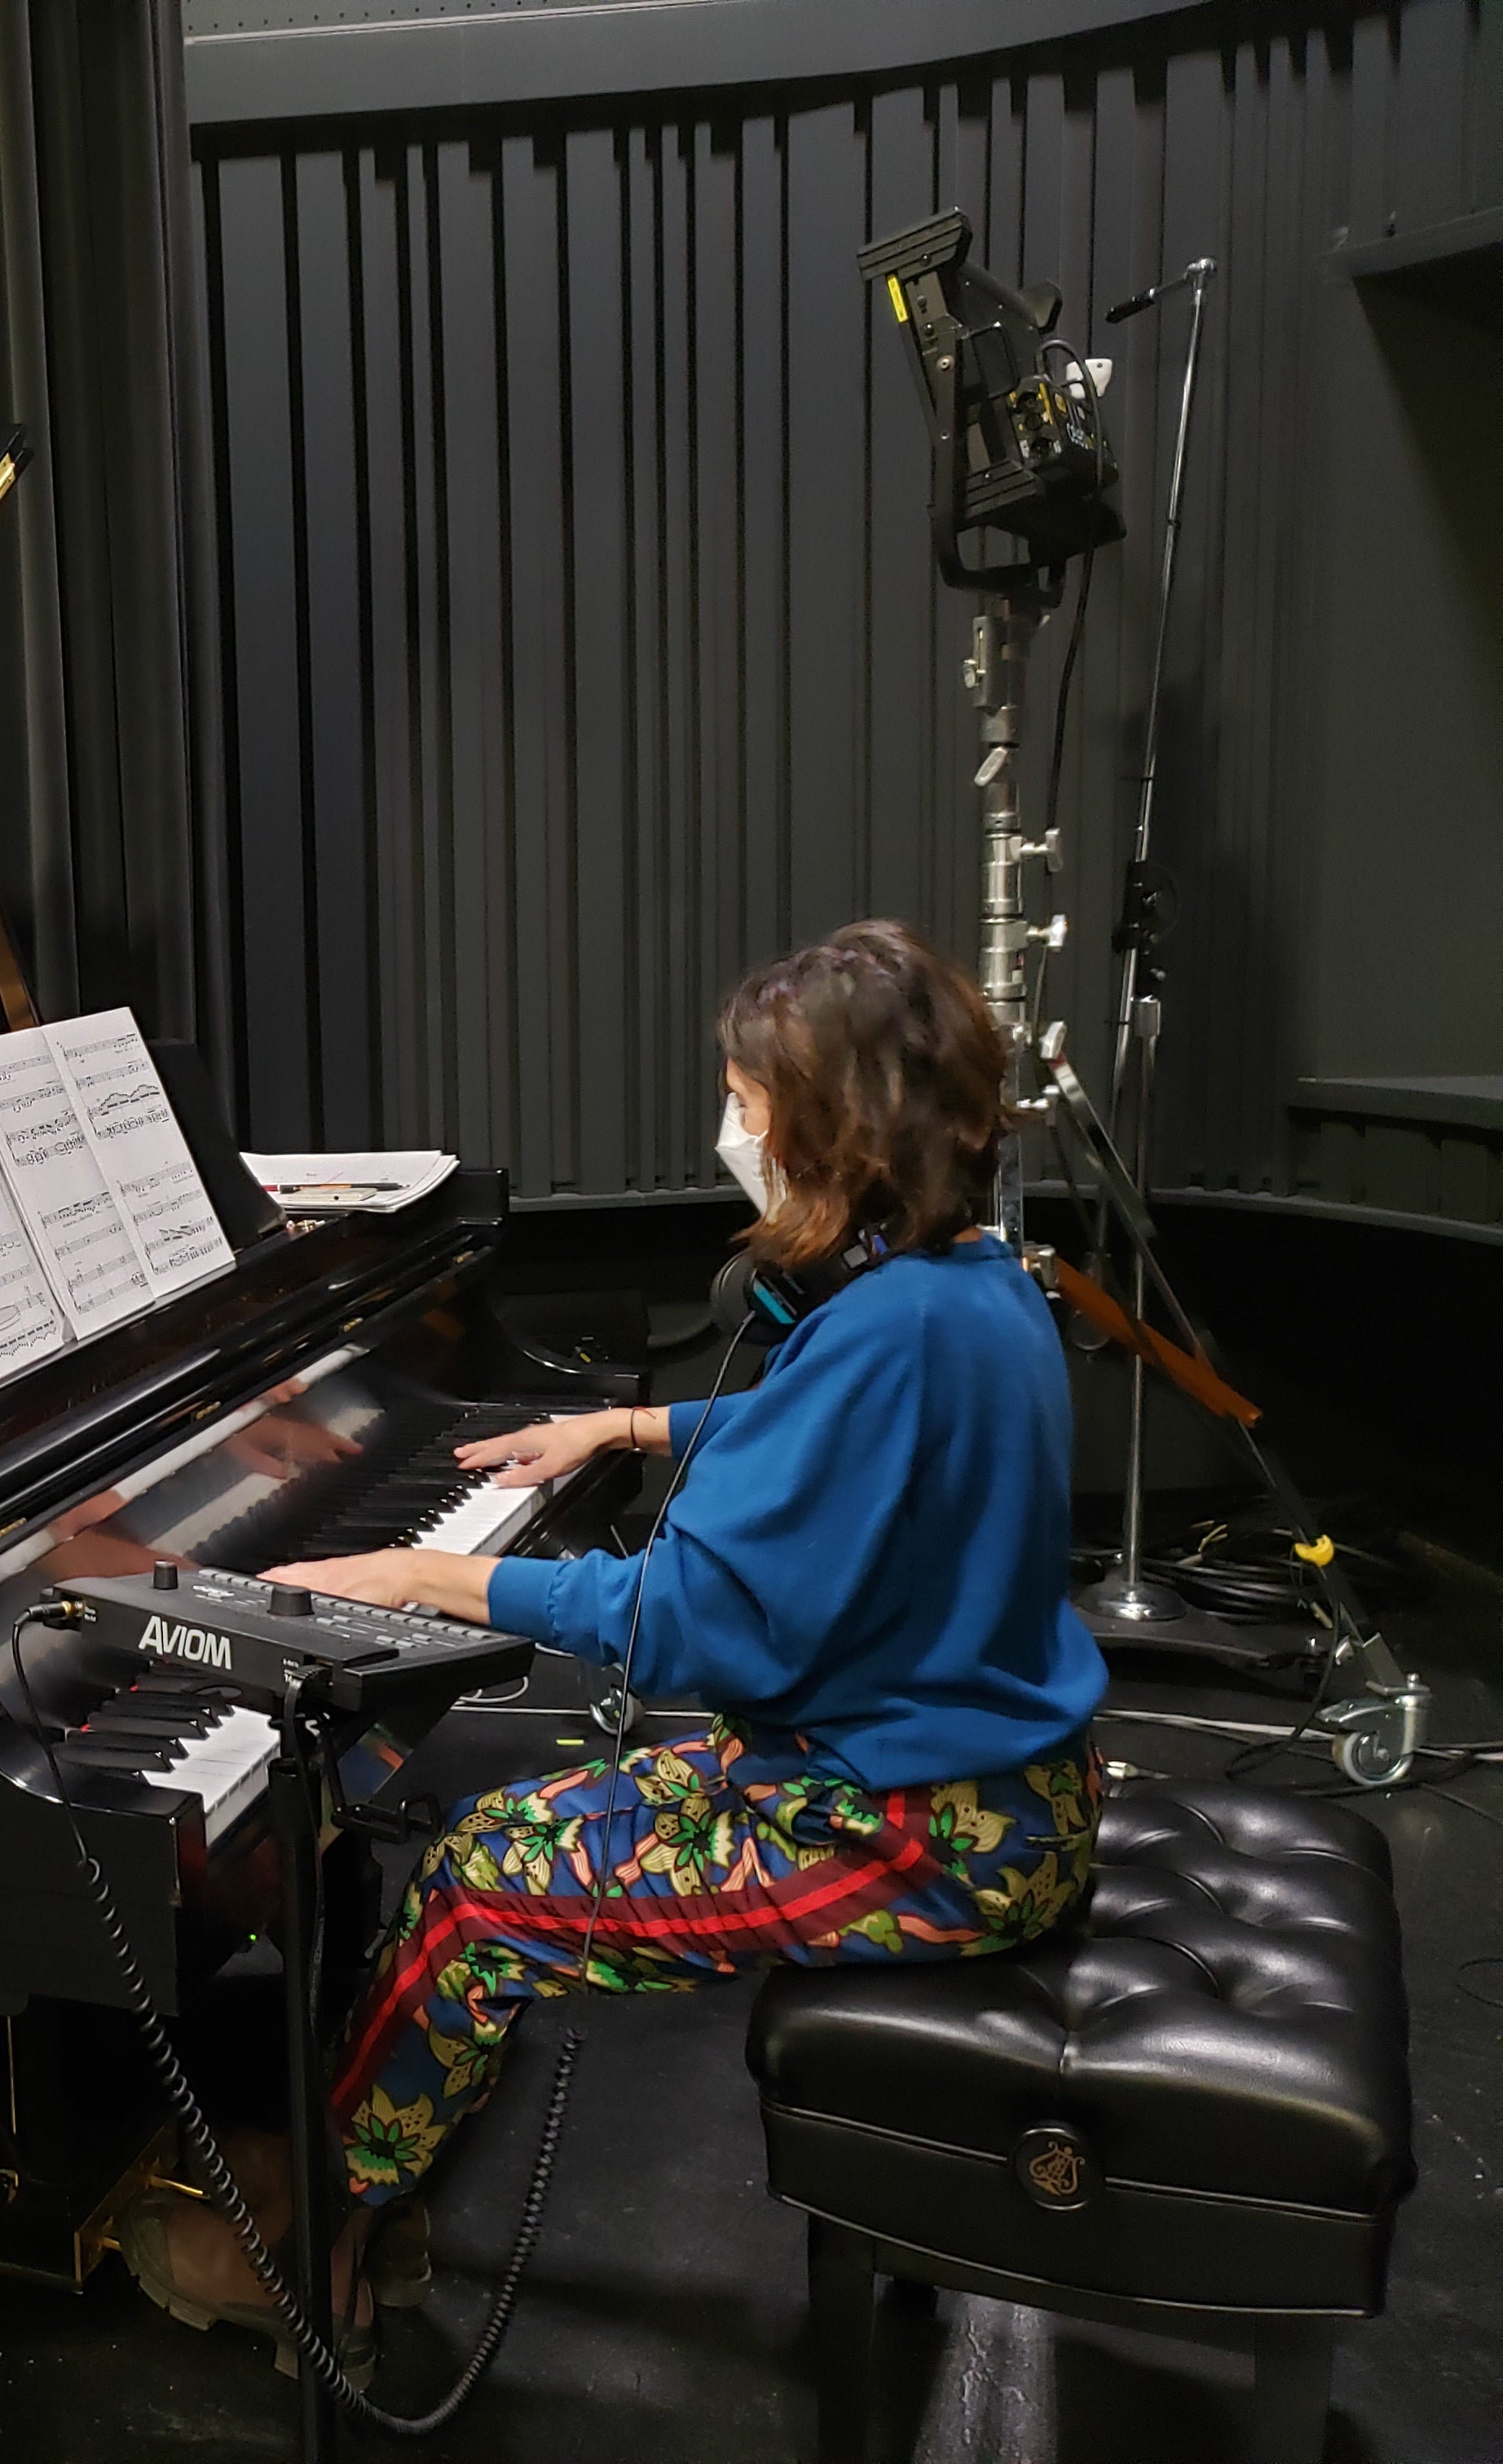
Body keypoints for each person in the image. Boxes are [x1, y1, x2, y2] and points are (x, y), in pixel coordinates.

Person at [122, 918, 1110, 2361]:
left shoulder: (890, 1330)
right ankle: (358, 2157)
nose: (735, 1127)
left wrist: (430, 1578)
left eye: (750, 1100)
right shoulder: (969, 1287)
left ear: (836, 1132)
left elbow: (685, 1625)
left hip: (916, 1835)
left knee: (475, 1893)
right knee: (489, 1847)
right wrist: (637, 1421)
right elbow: (835, 1436)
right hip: (989, 1791)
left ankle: (316, 2245)